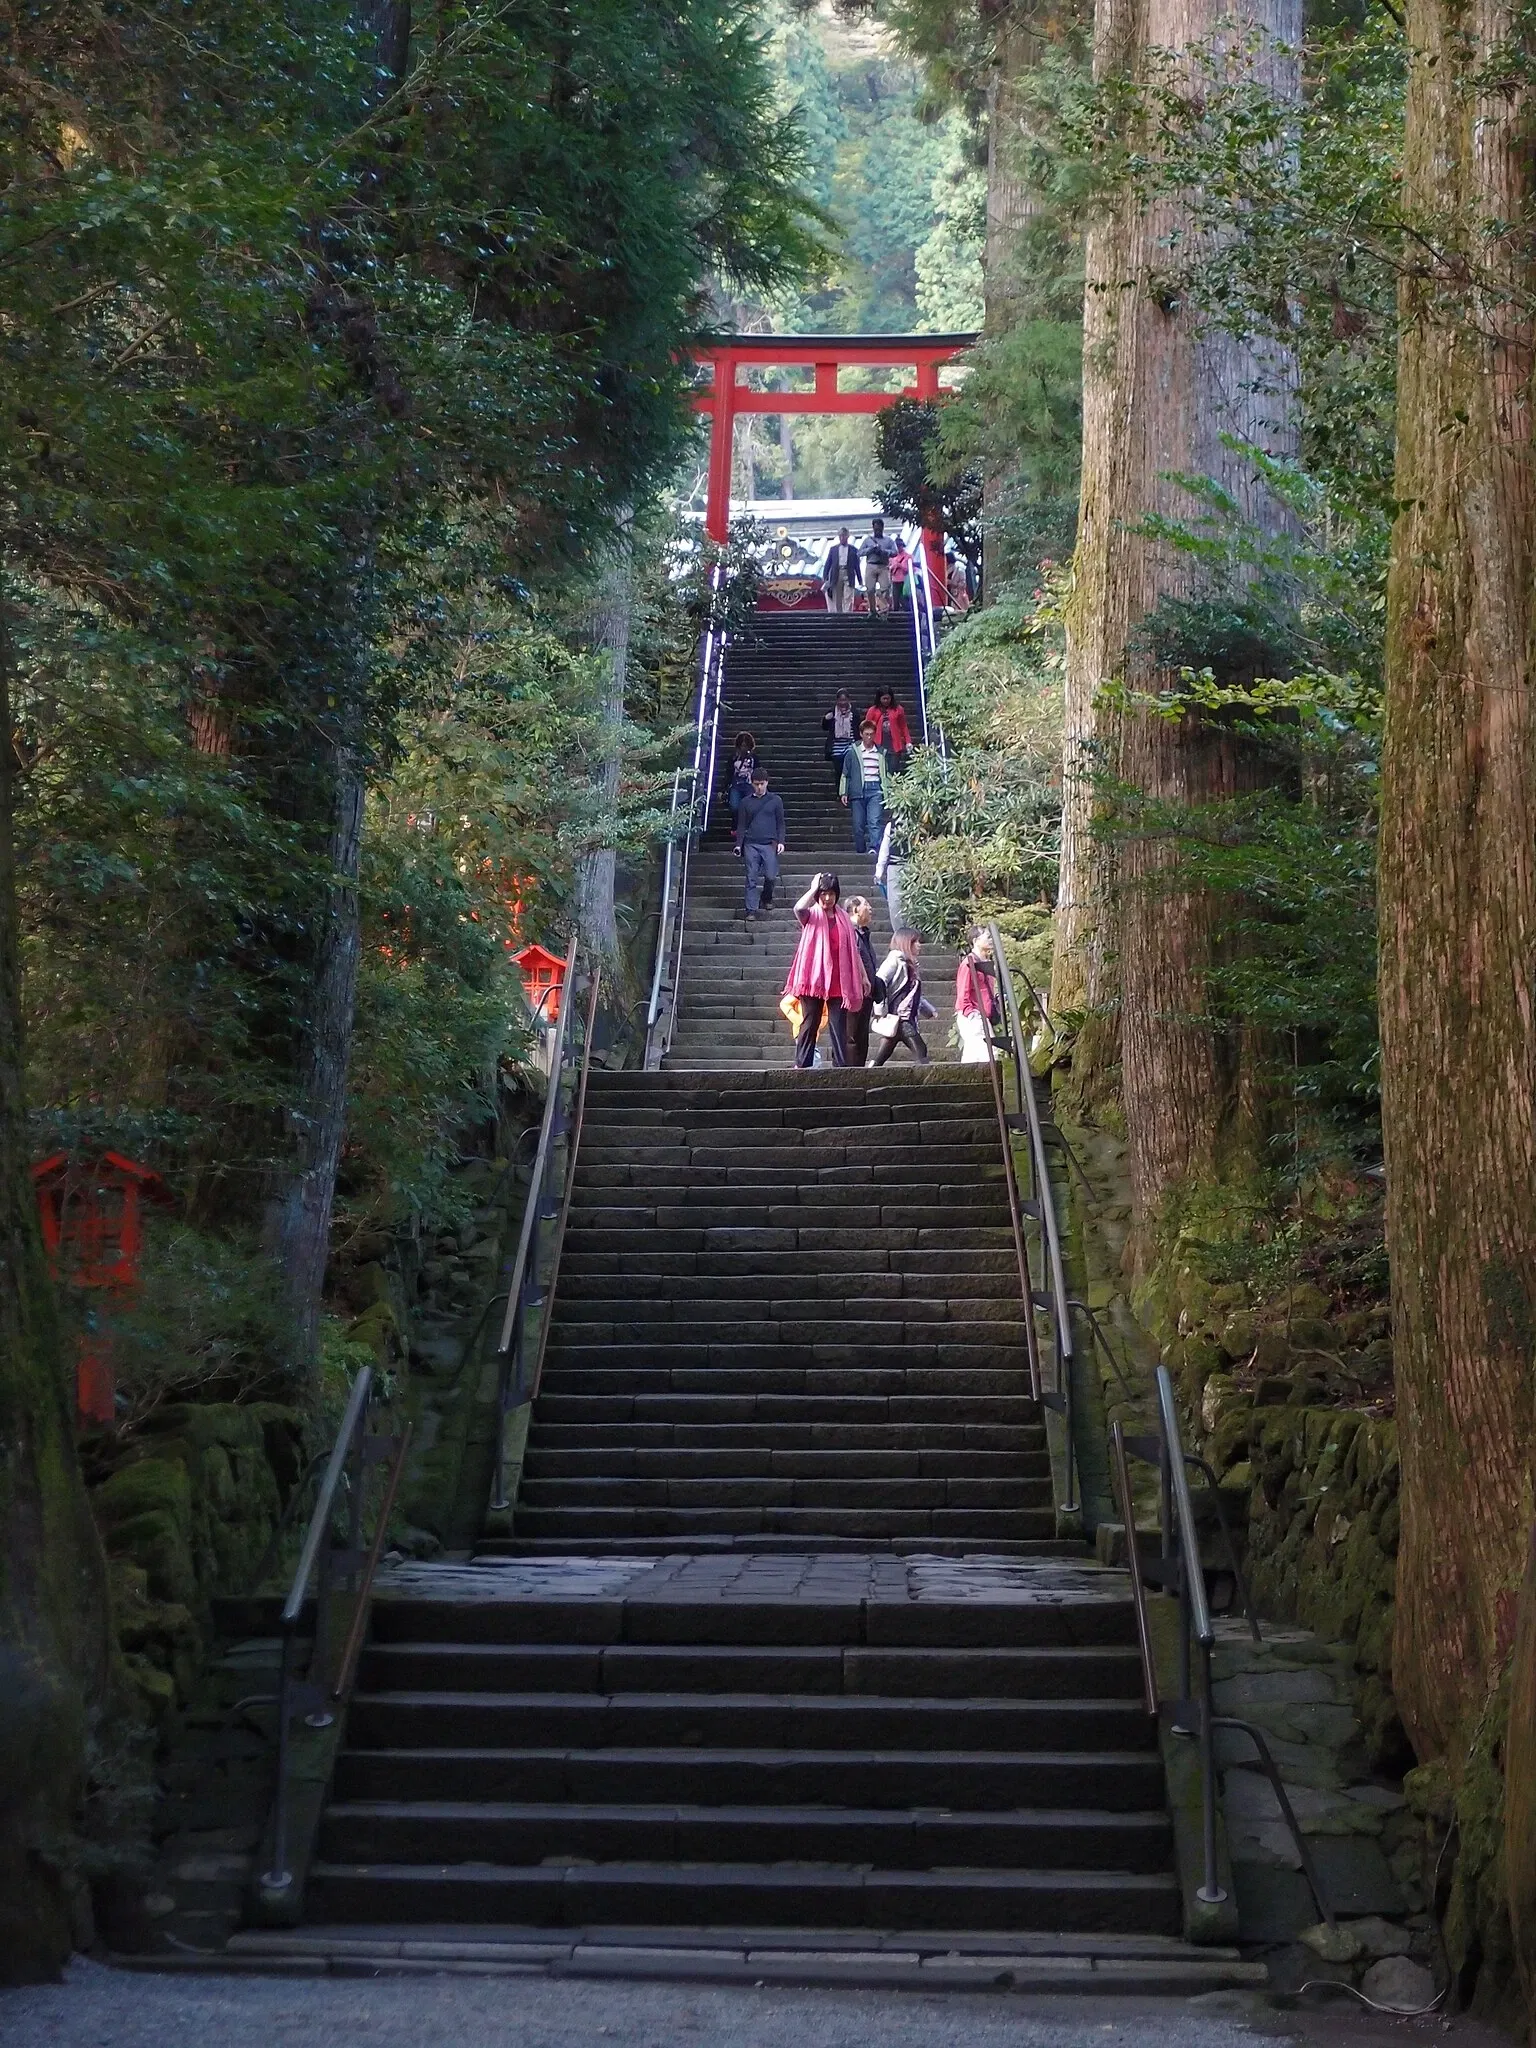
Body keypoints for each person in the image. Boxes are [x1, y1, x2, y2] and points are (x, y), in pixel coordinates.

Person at [784, 871, 868, 1068]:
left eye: (831, 894)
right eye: (823, 894)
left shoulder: (844, 919)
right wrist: (813, 888)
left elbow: (853, 951)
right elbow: (798, 907)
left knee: (839, 1026)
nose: (828, 898)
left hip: (839, 979)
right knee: (810, 1022)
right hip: (813, 977)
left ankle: (841, 1068)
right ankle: (802, 1065)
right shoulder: (811, 914)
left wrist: (863, 976)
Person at [870, 929, 937, 1066]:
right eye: (915, 942)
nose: (919, 945)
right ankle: (925, 1080)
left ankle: (871, 1069)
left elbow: (912, 993)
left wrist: (928, 1010)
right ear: (906, 943)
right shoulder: (895, 960)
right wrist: (879, 1009)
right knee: (920, 1049)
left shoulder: (910, 964)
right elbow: (880, 981)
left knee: (885, 1051)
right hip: (900, 1017)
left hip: (904, 1017)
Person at [733, 767, 785, 922]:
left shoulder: (776, 801)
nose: (759, 787)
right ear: (752, 784)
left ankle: (766, 897)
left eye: (762, 784)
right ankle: (750, 909)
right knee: (751, 877)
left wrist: (781, 841)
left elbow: (780, 823)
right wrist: (738, 844)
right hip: (751, 843)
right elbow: (741, 825)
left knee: (771, 875)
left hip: (769, 843)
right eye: (756, 784)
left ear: (767, 783)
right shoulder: (745, 802)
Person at [843, 895, 882, 1069]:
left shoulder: (862, 933)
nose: (871, 908)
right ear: (855, 910)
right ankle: (851, 1074)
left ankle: (859, 1071)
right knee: (852, 1036)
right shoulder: (848, 931)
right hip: (853, 992)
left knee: (861, 1036)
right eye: (866, 904)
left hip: (866, 994)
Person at [840, 717, 886, 855]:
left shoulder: (881, 752)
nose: (869, 736)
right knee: (858, 825)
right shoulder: (853, 751)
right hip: (858, 789)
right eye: (866, 734)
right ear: (861, 734)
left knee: (874, 821)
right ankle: (860, 849)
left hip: (875, 788)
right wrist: (843, 792)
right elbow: (845, 773)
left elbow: (886, 774)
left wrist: (888, 790)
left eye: (872, 734)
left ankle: (874, 847)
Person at [956, 925, 999, 1062]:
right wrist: (970, 1013)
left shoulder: (985, 962)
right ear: (975, 941)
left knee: (973, 1055)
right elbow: (963, 990)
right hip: (974, 1013)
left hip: (982, 1012)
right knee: (989, 1052)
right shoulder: (969, 963)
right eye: (987, 937)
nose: (991, 940)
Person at [864, 687, 912, 774]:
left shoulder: (898, 709)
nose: (886, 701)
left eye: (888, 698)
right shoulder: (873, 710)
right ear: (879, 698)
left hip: (894, 746)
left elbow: (903, 726)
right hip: (878, 746)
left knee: (892, 772)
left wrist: (908, 741)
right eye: (884, 699)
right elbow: (867, 727)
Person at [822, 689, 857, 793]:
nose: (843, 703)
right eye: (840, 700)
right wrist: (826, 719)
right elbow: (825, 727)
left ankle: (849, 791)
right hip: (836, 746)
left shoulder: (853, 713)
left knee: (849, 770)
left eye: (845, 700)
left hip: (849, 744)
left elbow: (857, 727)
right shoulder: (832, 712)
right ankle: (839, 792)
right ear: (837, 701)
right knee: (838, 771)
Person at [821, 527, 862, 614]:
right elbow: (828, 563)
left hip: (848, 572)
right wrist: (825, 576)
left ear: (847, 536)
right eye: (840, 536)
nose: (842, 538)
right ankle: (838, 614)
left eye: (844, 536)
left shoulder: (853, 550)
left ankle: (847, 613)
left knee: (848, 594)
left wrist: (860, 579)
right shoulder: (833, 549)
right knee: (837, 595)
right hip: (837, 573)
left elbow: (857, 566)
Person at [862, 518, 895, 619]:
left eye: (879, 529)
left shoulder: (889, 540)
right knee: (870, 589)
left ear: (882, 528)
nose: (877, 531)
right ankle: (872, 611)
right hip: (871, 565)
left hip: (883, 566)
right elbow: (859, 552)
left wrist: (884, 551)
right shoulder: (867, 540)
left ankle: (884, 610)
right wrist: (870, 549)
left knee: (885, 588)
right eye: (875, 529)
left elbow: (895, 552)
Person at [726, 730, 759, 827]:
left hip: (749, 785)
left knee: (749, 807)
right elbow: (728, 772)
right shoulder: (733, 757)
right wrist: (723, 788)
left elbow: (758, 771)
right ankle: (736, 825)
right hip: (736, 785)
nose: (743, 748)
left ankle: (746, 826)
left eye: (746, 746)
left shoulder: (754, 758)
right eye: (742, 745)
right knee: (734, 806)